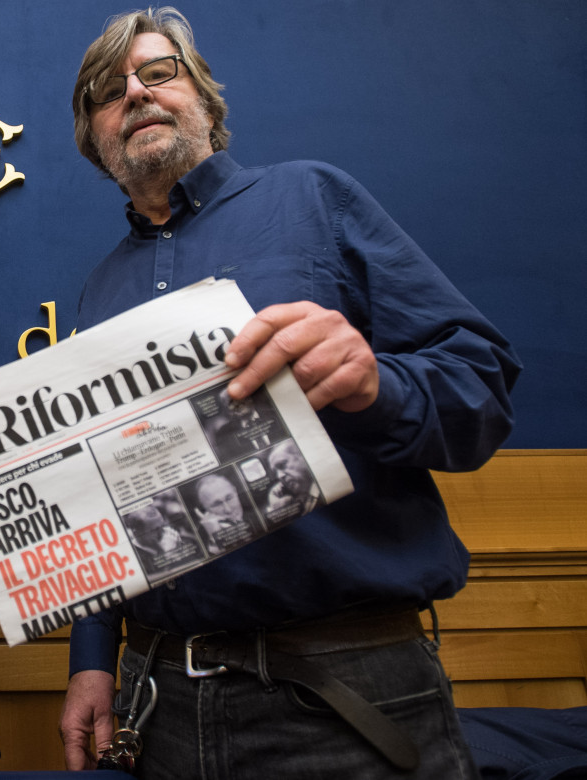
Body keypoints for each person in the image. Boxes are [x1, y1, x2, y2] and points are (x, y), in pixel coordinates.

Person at [59, 8, 521, 779]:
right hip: (157, 702)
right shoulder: (99, 290)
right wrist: (92, 658)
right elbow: (103, 504)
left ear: (202, 96)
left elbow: (482, 391)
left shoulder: (315, 197)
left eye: (158, 72)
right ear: (94, 137)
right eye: (108, 91)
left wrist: (377, 383)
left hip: (346, 690)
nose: (135, 92)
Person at [189, 472, 250, 555]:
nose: (228, 509)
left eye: (229, 498)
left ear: (236, 492)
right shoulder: (201, 540)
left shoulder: (258, 510)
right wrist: (215, 538)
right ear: (205, 510)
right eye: (217, 504)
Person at [264, 440, 322, 520]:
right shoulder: (301, 500)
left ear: (303, 456)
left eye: (282, 465)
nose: (279, 476)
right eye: (275, 473)